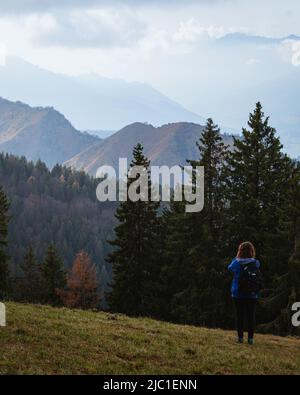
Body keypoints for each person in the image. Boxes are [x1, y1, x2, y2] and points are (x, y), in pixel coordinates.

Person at [228, 241, 261, 345]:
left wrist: (237, 257)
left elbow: (230, 268)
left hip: (238, 293)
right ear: (252, 251)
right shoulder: (255, 262)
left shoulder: (237, 263)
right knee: (251, 317)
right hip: (252, 294)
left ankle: (240, 338)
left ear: (240, 251)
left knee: (240, 316)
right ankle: (250, 339)